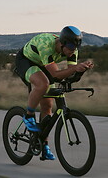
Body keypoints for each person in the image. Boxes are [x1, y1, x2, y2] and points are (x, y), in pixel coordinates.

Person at [15, 26, 94, 160]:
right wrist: (75, 67)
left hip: (44, 65)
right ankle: (28, 116)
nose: (72, 51)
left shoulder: (72, 51)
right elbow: (56, 75)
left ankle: (44, 145)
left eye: (75, 48)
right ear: (62, 43)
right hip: (26, 61)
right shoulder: (47, 45)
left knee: (47, 106)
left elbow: (69, 75)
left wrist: (80, 70)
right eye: (70, 48)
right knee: (43, 84)